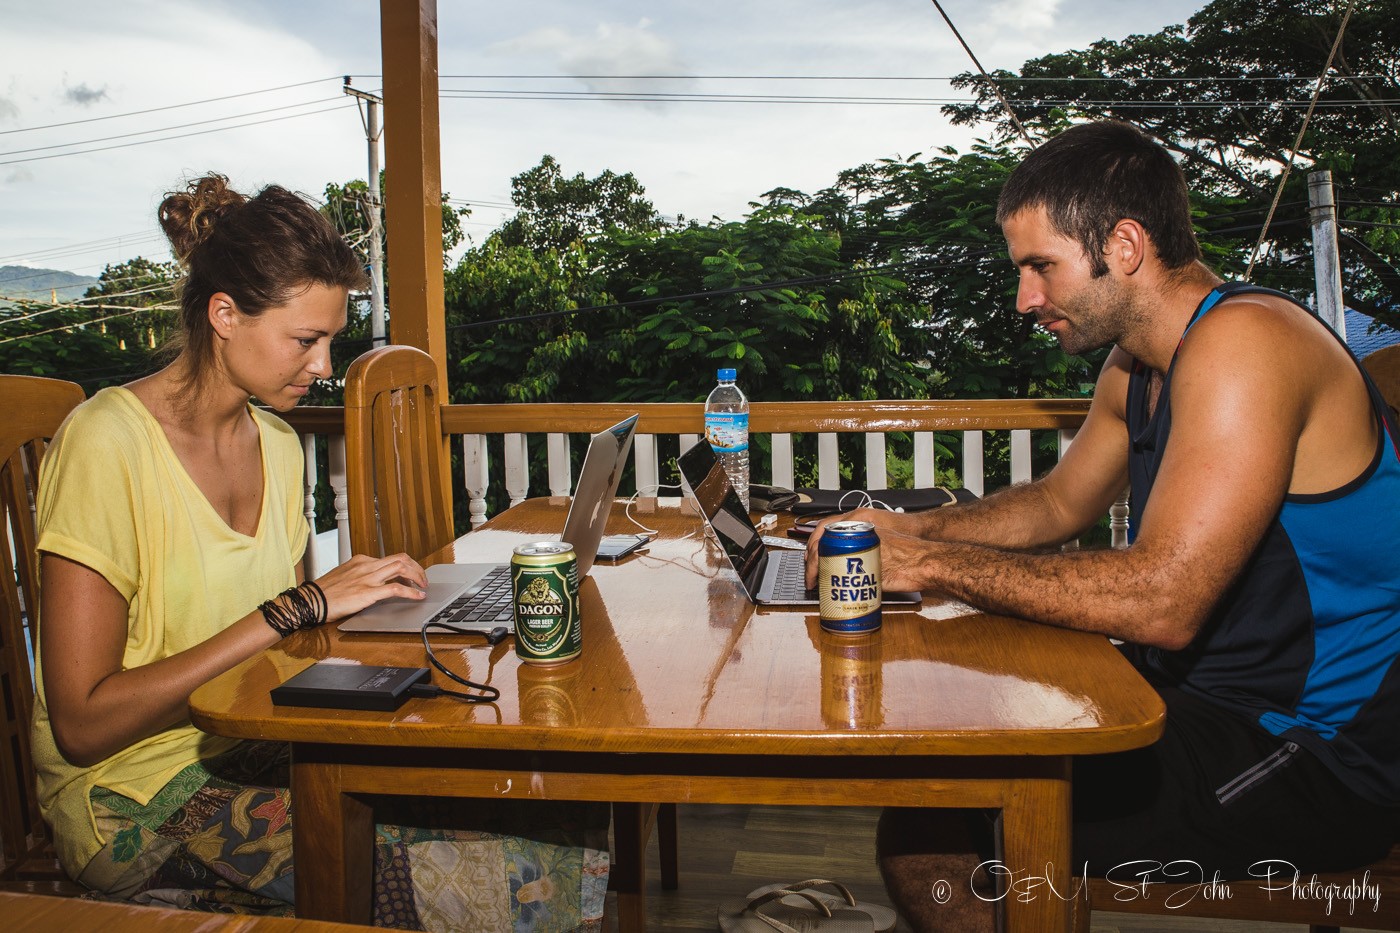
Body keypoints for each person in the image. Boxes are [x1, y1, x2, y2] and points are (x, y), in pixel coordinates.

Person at [806, 121, 1400, 931]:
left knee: (934, 832)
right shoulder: (1138, 364)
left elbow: (1164, 598)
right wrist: (914, 535)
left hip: (1315, 751)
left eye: (1039, 267)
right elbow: (1056, 504)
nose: (1026, 299)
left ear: (1123, 245)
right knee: (947, 775)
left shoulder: (1246, 344)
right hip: (1194, 697)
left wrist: (931, 568)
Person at [33, 174, 608, 929]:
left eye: (329, 339)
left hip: (259, 739)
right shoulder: (106, 442)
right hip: (136, 797)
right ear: (225, 315)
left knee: (556, 803)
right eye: (305, 340)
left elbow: (288, 647)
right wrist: (300, 605)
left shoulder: (275, 442)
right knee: (529, 875)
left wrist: (390, 632)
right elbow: (82, 724)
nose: (324, 365)